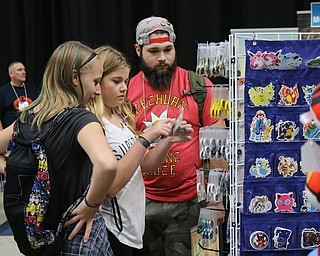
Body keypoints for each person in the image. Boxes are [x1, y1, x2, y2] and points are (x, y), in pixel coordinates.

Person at [0, 41, 118, 255]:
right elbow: (108, 165)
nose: (98, 90)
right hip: (78, 237)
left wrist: (6, 168)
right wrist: (91, 205)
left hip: (42, 238)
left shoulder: (27, 118)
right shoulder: (81, 120)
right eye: (96, 81)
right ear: (75, 78)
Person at [127, 16, 226, 256]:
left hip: (191, 203)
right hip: (140, 203)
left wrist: (217, 200)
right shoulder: (125, 89)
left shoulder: (203, 84)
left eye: (168, 49)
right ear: (138, 50)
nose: (162, 57)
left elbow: (221, 144)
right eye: (154, 51)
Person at [87, 45, 193, 256]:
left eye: (125, 81)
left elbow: (145, 165)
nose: (124, 88)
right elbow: (109, 188)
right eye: (116, 81)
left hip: (134, 226)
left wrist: (169, 140)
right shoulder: (92, 124)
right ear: (98, 82)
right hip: (112, 228)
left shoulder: (120, 116)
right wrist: (146, 137)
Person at [0, 61, 39, 130]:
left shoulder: (33, 89)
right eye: (19, 70)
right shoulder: (2, 92)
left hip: (31, 130)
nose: (24, 72)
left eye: (24, 70)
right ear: (11, 74)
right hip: (11, 132)